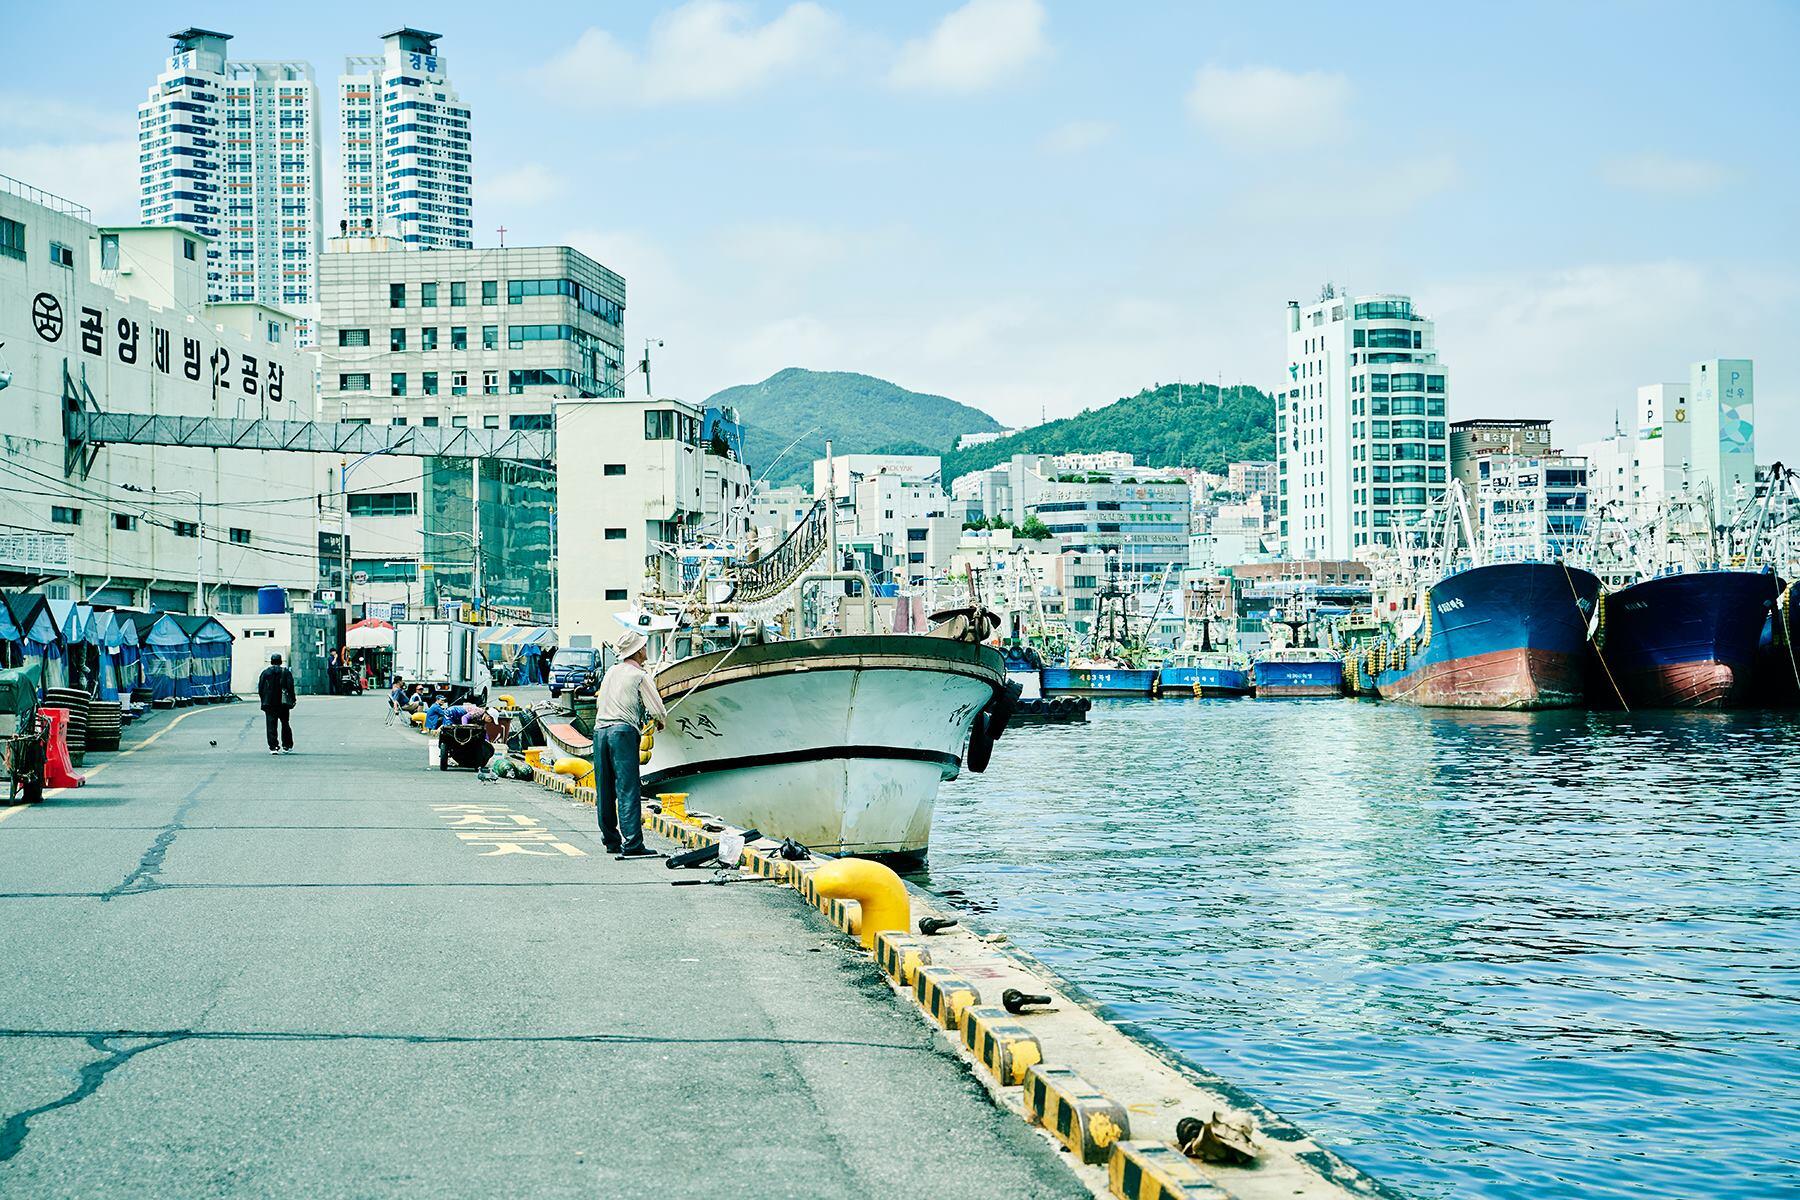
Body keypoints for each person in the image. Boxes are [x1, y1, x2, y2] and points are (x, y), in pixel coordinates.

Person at [593, 629, 668, 858]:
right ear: (638, 652)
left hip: (600, 732)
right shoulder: (640, 675)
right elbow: (657, 709)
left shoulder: (611, 672)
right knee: (627, 788)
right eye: (644, 647)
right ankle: (633, 843)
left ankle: (611, 841)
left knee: (604, 789)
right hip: (622, 733)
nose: (646, 650)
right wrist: (660, 721)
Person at [257, 653, 298, 755]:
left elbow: (261, 688)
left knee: (271, 724)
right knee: (285, 723)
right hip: (283, 703)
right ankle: (286, 745)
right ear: (280, 661)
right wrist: (293, 699)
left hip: (269, 703)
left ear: (271, 661)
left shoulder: (265, 673)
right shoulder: (285, 672)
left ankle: (273, 747)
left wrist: (263, 700)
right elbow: (290, 687)